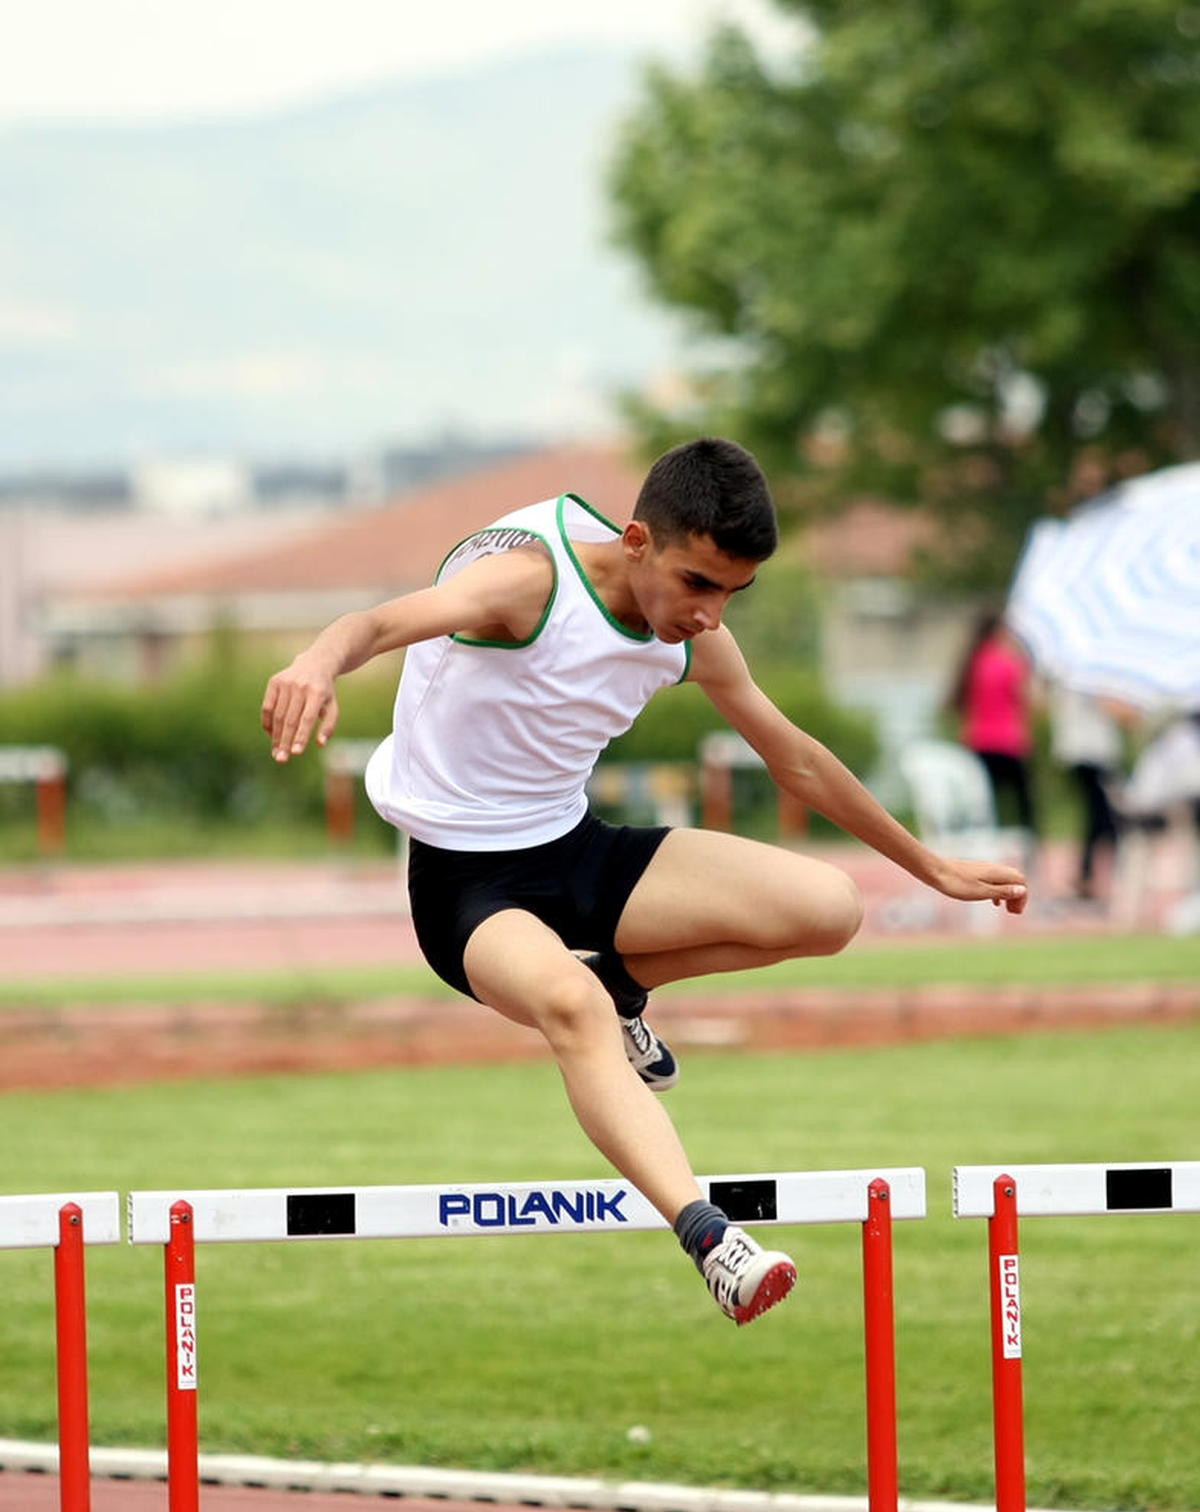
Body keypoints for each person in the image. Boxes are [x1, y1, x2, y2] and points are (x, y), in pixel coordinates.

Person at [262, 439, 1027, 1327]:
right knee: (572, 1009)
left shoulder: (695, 638)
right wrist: (316, 663)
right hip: (467, 884)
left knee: (830, 909)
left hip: (572, 846)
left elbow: (797, 761)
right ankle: (710, 1239)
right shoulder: (529, 585)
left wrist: (931, 866)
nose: (709, 614)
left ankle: (620, 982)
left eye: (733, 592)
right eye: (698, 583)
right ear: (637, 541)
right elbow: (374, 624)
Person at [948, 610, 1039, 840]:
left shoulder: (972, 662)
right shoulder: (1009, 663)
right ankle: (1031, 848)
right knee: (1025, 802)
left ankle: (980, 844)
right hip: (1008, 742)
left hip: (978, 741)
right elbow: (1029, 699)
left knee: (982, 804)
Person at [1048, 685, 1125, 901]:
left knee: (1099, 817)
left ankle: (1089, 875)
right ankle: (1099, 876)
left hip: (1077, 750)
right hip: (1093, 751)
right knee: (1105, 817)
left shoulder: (1071, 679)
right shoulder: (1093, 679)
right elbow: (1115, 709)